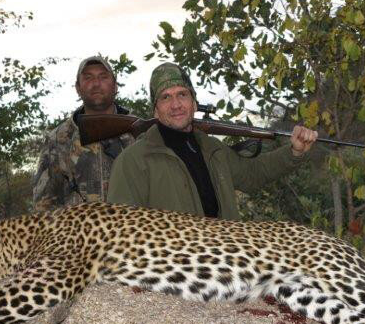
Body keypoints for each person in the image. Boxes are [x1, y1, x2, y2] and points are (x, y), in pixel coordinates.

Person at [106, 62, 318, 220]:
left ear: (194, 103)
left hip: (225, 265)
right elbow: (121, 229)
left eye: (182, 94)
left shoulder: (213, 149)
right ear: (155, 109)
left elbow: (254, 173)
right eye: (165, 97)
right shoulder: (133, 161)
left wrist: (294, 152)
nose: (176, 104)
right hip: (173, 276)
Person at [32, 55, 134, 212]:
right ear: (78, 88)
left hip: (131, 233)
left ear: (115, 86)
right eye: (88, 78)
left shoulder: (140, 132)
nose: (96, 83)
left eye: (103, 77)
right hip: (77, 235)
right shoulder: (58, 139)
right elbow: (43, 204)